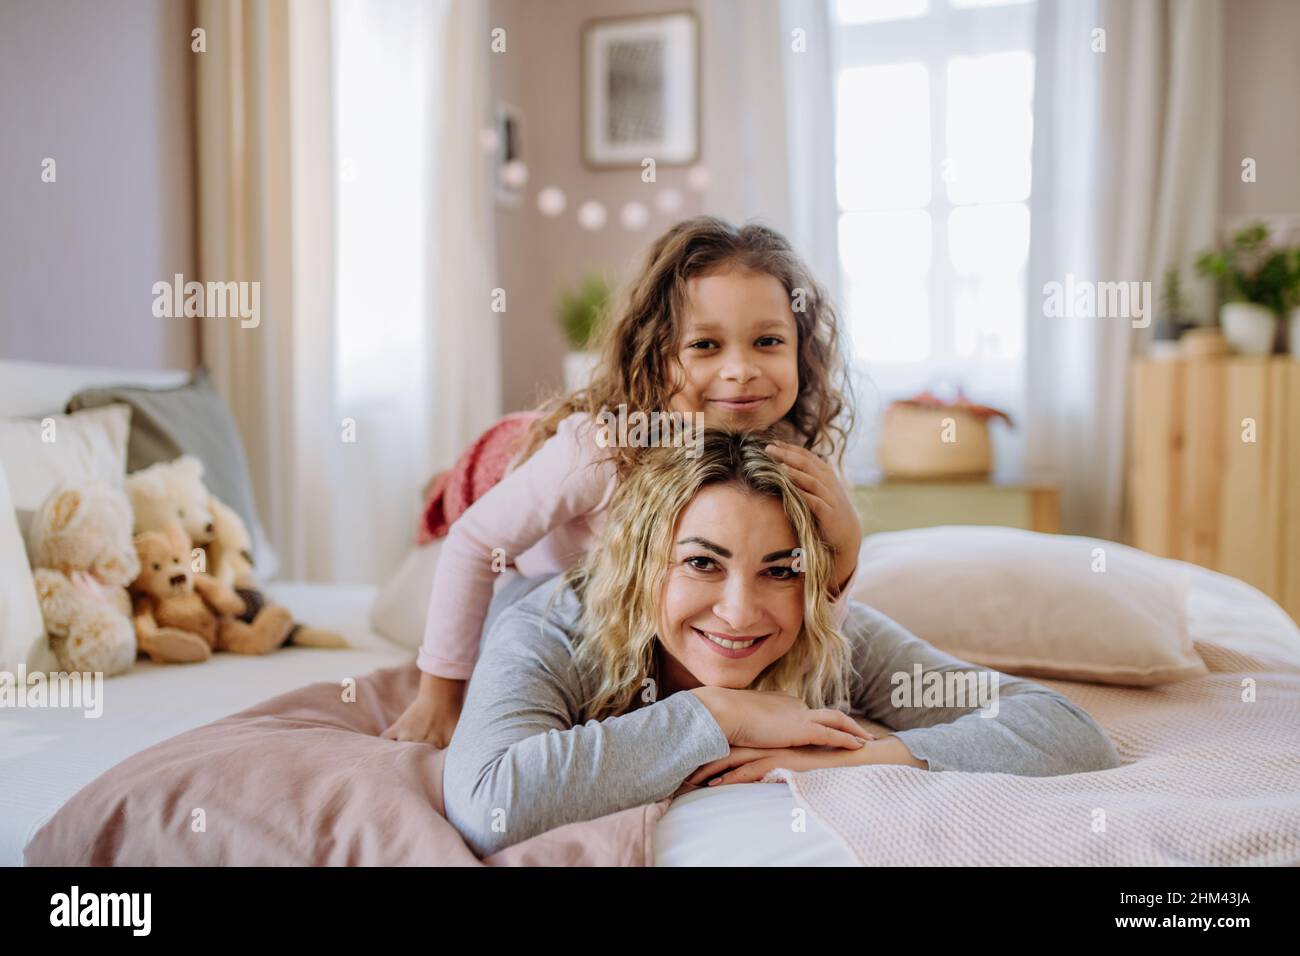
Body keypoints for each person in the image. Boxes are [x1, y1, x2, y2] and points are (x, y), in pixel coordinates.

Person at [442, 430, 1122, 857]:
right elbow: (487, 803)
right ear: (644, 565)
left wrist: (870, 758)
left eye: (780, 570)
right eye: (702, 563)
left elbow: (1066, 730)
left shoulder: (828, 635)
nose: (740, 613)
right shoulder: (548, 629)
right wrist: (718, 714)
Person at [384, 215, 863, 746]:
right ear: (656, 357)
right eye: (705, 345)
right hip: (517, 548)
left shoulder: (793, 457)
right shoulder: (604, 448)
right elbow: (475, 543)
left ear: (802, 351)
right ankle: (439, 486)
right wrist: (439, 698)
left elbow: (807, 610)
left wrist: (845, 546)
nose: (741, 370)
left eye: (767, 341)